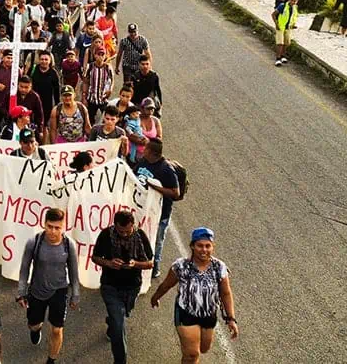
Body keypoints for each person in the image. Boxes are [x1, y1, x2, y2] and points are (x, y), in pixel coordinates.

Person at [150, 227, 239, 364]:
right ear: (192, 246)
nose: (204, 250)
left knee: (204, 349)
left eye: (207, 246)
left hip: (209, 315)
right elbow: (167, 285)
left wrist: (231, 319)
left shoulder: (219, 267)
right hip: (186, 314)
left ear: (212, 246)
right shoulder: (181, 266)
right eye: (200, 246)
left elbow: (226, 293)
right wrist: (155, 297)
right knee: (192, 354)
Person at [17, 208, 81, 364]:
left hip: (59, 291)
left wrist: (75, 294)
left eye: (57, 227)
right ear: (44, 224)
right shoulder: (34, 242)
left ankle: (51, 360)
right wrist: (21, 292)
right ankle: (36, 329)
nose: (53, 231)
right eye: (50, 226)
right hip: (37, 290)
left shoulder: (69, 244)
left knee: (57, 329)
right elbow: (24, 268)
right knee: (33, 324)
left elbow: (73, 271)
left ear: (63, 227)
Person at [92, 210, 154, 364]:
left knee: (123, 315)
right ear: (115, 226)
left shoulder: (140, 236)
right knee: (119, 328)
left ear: (133, 226)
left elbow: (150, 263)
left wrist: (135, 264)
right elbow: (95, 257)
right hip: (110, 285)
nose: (125, 234)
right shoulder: (106, 235)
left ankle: (111, 322)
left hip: (132, 287)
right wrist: (109, 263)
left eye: (128, 231)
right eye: (121, 231)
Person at [134, 137, 179, 278]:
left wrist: (155, 186)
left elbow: (175, 193)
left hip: (159, 214)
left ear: (152, 152)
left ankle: (155, 266)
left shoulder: (166, 169)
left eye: (146, 148)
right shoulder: (143, 161)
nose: (143, 149)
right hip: (141, 209)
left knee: (156, 240)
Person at [29, 51, 61, 138]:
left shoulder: (54, 73)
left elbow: (57, 91)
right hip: (33, 103)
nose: (44, 61)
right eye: (42, 59)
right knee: (32, 124)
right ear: (39, 60)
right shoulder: (33, 70)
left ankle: (43, 145)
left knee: (44, 126)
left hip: (47, 104)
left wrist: (58, 106)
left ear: (50, 61)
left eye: (46, 59)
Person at [82, 48, 114, 124]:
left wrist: (110, 90)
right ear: (95, 55)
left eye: (102, 55)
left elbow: (112, 80)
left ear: (105, 56)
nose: (100, 57)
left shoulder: (108, 67)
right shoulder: (90, 67)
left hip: (103, 99)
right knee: (90, 119)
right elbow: (85, 82)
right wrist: (84, 96)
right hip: (92, 98)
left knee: (107, 118)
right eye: (98, 54)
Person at [271, 0, 298, 67]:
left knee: (287, 43)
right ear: (289, 0)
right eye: (292, 0)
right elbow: (273, 14)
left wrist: (293, 25)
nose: (293, 2)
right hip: (280, 27)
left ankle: (283, 55)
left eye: (294, 1)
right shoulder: (282, 6)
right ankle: (278, 58)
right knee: (280, 43)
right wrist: (276, 24)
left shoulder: (295, 8)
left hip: (288, 27)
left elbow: (293, 17)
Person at [17, 75, 46, 143]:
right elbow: (3, 107)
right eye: (21, 86)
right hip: (15, 125)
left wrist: (40, 130)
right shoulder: (12, 94)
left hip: (30, 125)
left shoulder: (35, 97)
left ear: (31, 86)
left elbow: (40, 114)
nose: (23, 89)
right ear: (18, 85)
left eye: (26, 87)